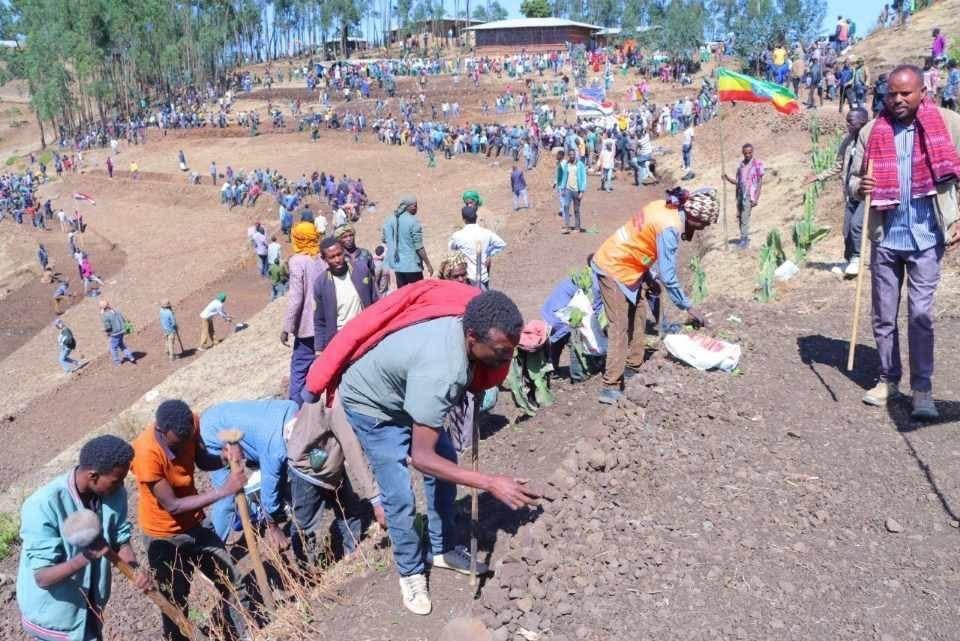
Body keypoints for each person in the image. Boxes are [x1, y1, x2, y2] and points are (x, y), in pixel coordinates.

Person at [303, 285, 540, 615]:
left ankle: (441, 548)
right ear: (472, 337)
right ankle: (410, 571)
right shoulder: (441, 372)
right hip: (374, 406)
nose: (507, 359)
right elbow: (423, 458)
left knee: (448, 462)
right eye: (501, 352)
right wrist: (489, 482)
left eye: (511, 350)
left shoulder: (467, 331)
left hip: (408, 391)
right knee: (399, 495)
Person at [849, 64, 960, 419]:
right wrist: (860, 186)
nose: (897, 99)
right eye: (891, 94)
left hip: (927, 236)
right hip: (886, 236)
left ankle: (922, 389)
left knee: (921, 315)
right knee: (884, 313)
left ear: (922, 92)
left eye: (905, 93)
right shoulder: (871, 131)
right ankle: (888, 378)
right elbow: (852, 180)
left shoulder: (948, 124)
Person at [130, 400, 250, 641]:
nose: (185, 445)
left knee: (232, 580)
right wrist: (224, 490)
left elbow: (201, 459)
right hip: (164, 536)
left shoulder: (189, 423)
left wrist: (224, 458)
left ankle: (247, 632)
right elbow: (172, 505)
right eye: (178, 443)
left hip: (195, 523)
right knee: (175, 603)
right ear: (161, 431)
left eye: (188, 438)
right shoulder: (145, 454)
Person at [591, 188, 718, 404]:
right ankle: (610, 386)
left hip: (631, 267)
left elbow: (642, 239)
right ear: (694, 218)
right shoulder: (669, 227)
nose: (702, 229)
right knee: (619, 327)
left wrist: (649, 278)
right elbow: (668, 276)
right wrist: (688, 306)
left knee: (639, 314)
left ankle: (633, 366)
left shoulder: (664, 206)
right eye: (703, 225)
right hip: (613, 267)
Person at [17, 435, 149, 641]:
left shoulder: (114, 493)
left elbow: (120, 539)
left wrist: (134, 569)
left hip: (91, 608)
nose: (122, 485)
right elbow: (42, 577)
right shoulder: (43, 504)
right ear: (93, 476)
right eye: (117, 481)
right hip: (56, 617)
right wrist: (86, 557)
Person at [198, 400, 299, 547]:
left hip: (222, 415)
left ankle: (252, 512)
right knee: (227, 495)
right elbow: (270, 483)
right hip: (214, 432)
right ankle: (213, 549)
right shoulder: (276, 448)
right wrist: (273, 526)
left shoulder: (293, 409)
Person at [805, 107, 870, 277]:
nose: (848, 125)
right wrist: (818, 177)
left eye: (851, 122)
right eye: (847, 121)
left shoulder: (871, 141)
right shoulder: (848, 141)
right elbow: (838, 165)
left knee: (856, 225)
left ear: (863, 122)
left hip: (865, 194)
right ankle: (849, 261)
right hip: (851, 194)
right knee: (846, 230)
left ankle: (857, 259)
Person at [540, 257, 603, 383]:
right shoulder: (596, 283)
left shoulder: (584, 274)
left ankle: (550, 370)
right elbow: (594, 310)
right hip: (564, 315)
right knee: (576, 341)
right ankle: (578, 376)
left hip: (551, 311)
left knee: (557, 339)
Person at [282, 221, 324, 405]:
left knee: (299, 369)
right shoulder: (323, 257)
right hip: (326, 323)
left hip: (307, 327)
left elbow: (296, 298)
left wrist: (287, 327)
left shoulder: (297, 261)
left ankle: (296, 409)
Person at [314, 237, 378, 352]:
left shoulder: (361, 270)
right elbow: (319, 320)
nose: (337, 259)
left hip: (366, 334)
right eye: (332, 257)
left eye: (339, 254)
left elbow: (375, 301)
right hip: (340, 341)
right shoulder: (321, 284)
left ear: (344, 252)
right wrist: (319, 349)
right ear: (324, 259)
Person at [448, 205, 506, 289]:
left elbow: (451, 247)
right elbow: (501, 244)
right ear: (476, 217)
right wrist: (488, 253)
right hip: (483, 276)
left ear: (464, 219)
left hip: (468, 277)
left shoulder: (458, 235)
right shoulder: (486, 233)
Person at [381, 196, 434, 287]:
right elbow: (419, 247)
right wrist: (428, 264)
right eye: (415, 206)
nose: (416, 208)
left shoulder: (391, 219)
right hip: (412, 266)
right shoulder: (413, 222)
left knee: (403, 293)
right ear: (407, 207)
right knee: (418, 292)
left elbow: (384, 239)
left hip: (398, 266)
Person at [722, 143, 764, 249]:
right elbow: (738, 182)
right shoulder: (741, 166)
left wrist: (756, 198)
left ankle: (744, 240)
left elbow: (759, 183)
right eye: (745, 153)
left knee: (745, 217)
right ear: (743, 153)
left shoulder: (757, 165)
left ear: (752, 152)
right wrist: (727, 178)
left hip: (749, 194)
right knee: (740, 216)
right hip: (740, 193)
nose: (747, 155)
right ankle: (742, 237)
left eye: (749, 153)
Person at [99, 299, 135, 365]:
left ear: (102, 308)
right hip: (122, 331)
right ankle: (130, 356)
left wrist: (105, 330)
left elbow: (108, 327)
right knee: (121, 344)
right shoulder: (116, 311)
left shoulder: (105, 315)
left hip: (115, 333)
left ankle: (117, 362)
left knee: (113, 348)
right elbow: (123, 319)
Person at [559, 152, 588, 234]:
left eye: (573, 155)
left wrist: (582, 191)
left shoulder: (580, 165)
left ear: (575, 155)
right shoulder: (567, 165)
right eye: (570, 155)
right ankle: (567, 226)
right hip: (568, 189)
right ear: (569, 156)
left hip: (576, 190)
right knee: (565, 206)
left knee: (576, 209)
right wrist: (562, 189)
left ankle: (577, 227)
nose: (572, 156)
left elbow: (584, 178)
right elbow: (565, 177)